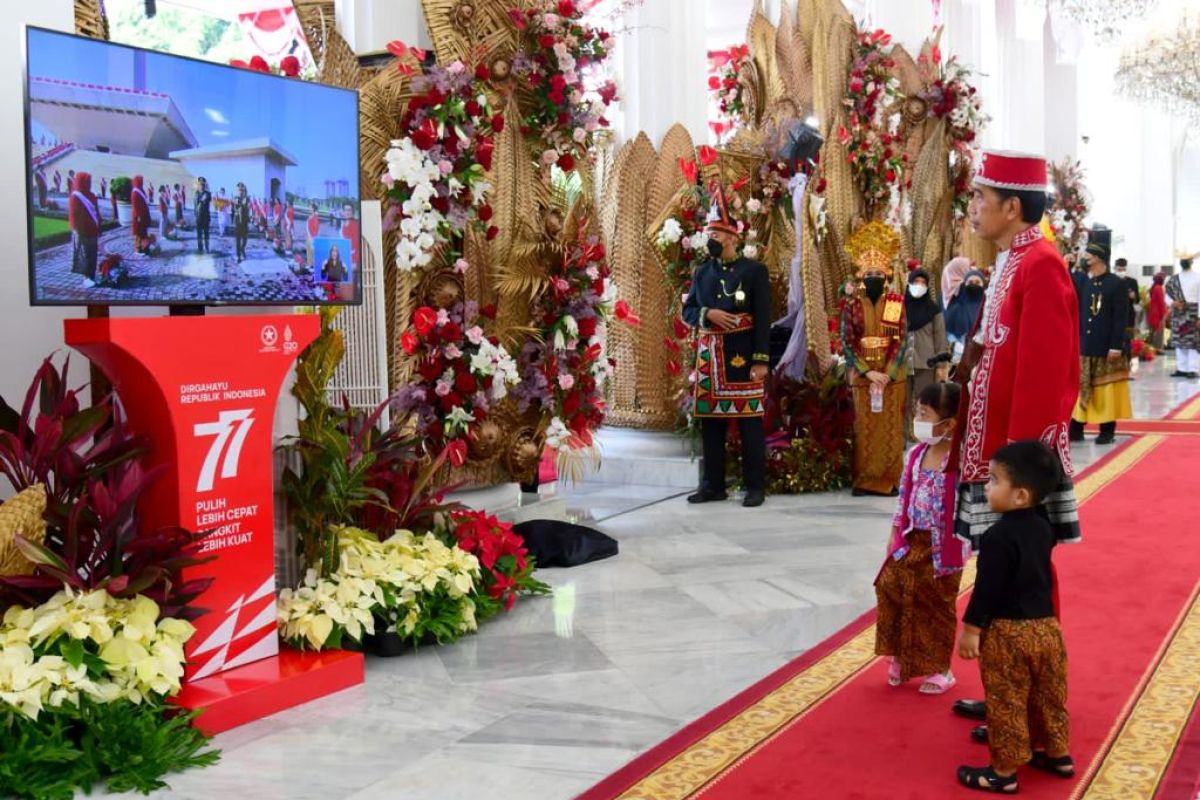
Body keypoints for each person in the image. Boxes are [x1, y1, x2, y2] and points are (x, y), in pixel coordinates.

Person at [951, 150, 1081, 735]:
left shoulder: (1042, 265)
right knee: (999, 575)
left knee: (1026, 580)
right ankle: (1006, 690)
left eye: (981, 197)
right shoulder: (1010, 260)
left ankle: (1032, 705)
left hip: (1016, 465)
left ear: (1012, 206)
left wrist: (1017, 471)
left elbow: (1045, 374)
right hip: (993, 457)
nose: (973, 207)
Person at [956, 440, 1073, 794]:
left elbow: (987, 590)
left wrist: (971, 629)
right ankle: (1058, 754)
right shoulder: (1044, 527)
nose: (987, 487)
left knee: (1007, 700)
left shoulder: (996, 537)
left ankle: (1003, 772)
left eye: (993, 480)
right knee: (1048, 694)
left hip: (1009, 634)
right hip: (1048, 629)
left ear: (1020, 495)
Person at [875, 382, 968, 695]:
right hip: (911, 538)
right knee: (893, 587)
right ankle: (902, 656)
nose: (918, 419)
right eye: (917, 412)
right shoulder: (917, 454)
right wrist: (894, 533)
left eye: (924, 414)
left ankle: (941, 668)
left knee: (935, 604)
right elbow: (905, 496)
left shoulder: (960, 460)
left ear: (949, 424)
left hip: (945, 547)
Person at [682, 181, 771, 508]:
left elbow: (763, 317)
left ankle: (754, 486)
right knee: (711, 425)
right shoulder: (702, 272)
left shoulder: (754, 271)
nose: (711, 241)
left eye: (716, 235)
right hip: (710, 358)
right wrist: (709, 314)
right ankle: (713, 485)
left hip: (743, 355)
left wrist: (761, 360)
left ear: (733, 237)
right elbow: (688, 310)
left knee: (749, 424)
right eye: (709, 236)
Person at [841, 220, 908, 497]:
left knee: (891, 429)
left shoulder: (894, 303)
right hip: (863, 377)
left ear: (887, 275)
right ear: (860, 275)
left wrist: (887, 373)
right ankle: (864, 479)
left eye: (877, 273)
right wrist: (868, 372)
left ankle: (889, 480)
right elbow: (848, 342)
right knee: (863, 428)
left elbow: (898, 340)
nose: (873, 277)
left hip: (891, 378)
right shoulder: (853, 305)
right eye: (868, 273)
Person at [1070, 227, 1131, 445]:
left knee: (1106, 390)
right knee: (1082, 387)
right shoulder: (1086, 282)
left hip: (1107, 347)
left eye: (1090, 255)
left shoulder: (1116, 284)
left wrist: (1116, 345)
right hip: (1086, 346)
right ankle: (1076, 427)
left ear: (1099, 258)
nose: (1086, 258)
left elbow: (1120, 318)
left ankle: (1107, 429)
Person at [905, 265, 951, 439]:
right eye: (916, 281)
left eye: (923, 282)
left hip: (926, 363)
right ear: (909, 283)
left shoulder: (933, 310)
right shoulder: (898, 307)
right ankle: (902, 437)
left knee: (923, 402)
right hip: (901, 363)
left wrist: (941, 366)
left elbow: (940, 338)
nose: (919, 285)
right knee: (902, 402)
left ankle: (922, 437)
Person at [1166, 258, 1200, 378]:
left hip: (1193, 313)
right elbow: (1168, 295)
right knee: (1178, 342)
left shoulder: (1198, 277)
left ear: (1191, 262)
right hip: (1178, 312)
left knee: (1193, 343)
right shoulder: (1174, 278)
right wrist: (1172, 303)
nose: (1184, 262)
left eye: (1187, 260)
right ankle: (1182, 368)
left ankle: (1193, 369)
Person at [68, 171, 99, 287]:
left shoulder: (92, 196)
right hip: (82, 231)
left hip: (93, 230)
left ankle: (92, 275)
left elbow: (96, 213)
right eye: (87, 181)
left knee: (93, 254)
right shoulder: (75, 196)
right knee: (84, 254)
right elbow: (73, 215)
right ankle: (86, 277)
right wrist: (77, 230)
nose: (89, 183)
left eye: (89, 181)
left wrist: (98, 227)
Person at [1114, 258, 1141, 338]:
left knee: (1128, 337)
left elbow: (1138, 299)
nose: (1121, 272)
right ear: (1115, 268)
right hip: (1114, 313)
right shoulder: (1111, 280)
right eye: (1119, 269)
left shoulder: (1132, 282)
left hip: (1128, 314)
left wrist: (1134, 296)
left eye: (1123, 269)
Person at [1147, 272, 1169, 351]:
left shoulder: (1153, 287)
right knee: (1159, 333)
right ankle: (1158, 349)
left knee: (1154, 333)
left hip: (1153, 314)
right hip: (1158, 315)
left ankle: (1154, 349)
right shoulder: (1158, 288)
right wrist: (1165, 315)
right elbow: (1161, 303)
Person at [130, 175, 151, 254]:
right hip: (138, 217)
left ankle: (145, 247)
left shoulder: (141, 190)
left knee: (144, 233)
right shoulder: (135, 193)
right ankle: (138, 249)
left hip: (144, 215)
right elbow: (135, 206)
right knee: (139, 234)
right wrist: (138, 217)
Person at [232, 182, 252, 262]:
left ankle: (242, 249)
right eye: (239, 190)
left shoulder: (247, 198)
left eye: (242, 190)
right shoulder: (236, 198)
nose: (240, 191)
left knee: (245, 238)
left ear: (244, 190)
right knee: (237, 238)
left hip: (245, 220)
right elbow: (235, 207)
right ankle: (238, 255)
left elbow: (248, 207)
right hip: (238, 221)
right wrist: (238, 206)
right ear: (238, 190)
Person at [194, 177, 213, 254]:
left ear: (205, 185)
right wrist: (195, 215)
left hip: (205, 217)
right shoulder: (196, 193)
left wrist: (207, 189)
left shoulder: (208, 194)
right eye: (200, 184)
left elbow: (205, 200)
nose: (201, 186)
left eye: (203, 185)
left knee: (206, 234)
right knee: (199, 234)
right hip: (198, 217)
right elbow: (195, 205)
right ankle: (200, 248)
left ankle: (207, 248)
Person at [341, 203, 361, 267]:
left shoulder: (356, 224)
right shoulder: (343, 223)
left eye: (349, 210)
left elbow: (355, 244)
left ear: (353, 211)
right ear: (343, 211)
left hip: (353, 258)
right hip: (343, 256)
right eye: (345, 210)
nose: (347, 212)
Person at [306, 202, 321, 268]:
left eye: (310, 207)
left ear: (313, 208)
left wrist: (313, 238)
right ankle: (310, 264)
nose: (309, 208)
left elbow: (316, 229)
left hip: (313, 237)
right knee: (309, 251)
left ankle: (314, 267)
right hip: (309, 236)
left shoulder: (315, 217)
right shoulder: (310, 216)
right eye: (309, 207)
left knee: (313, 251)